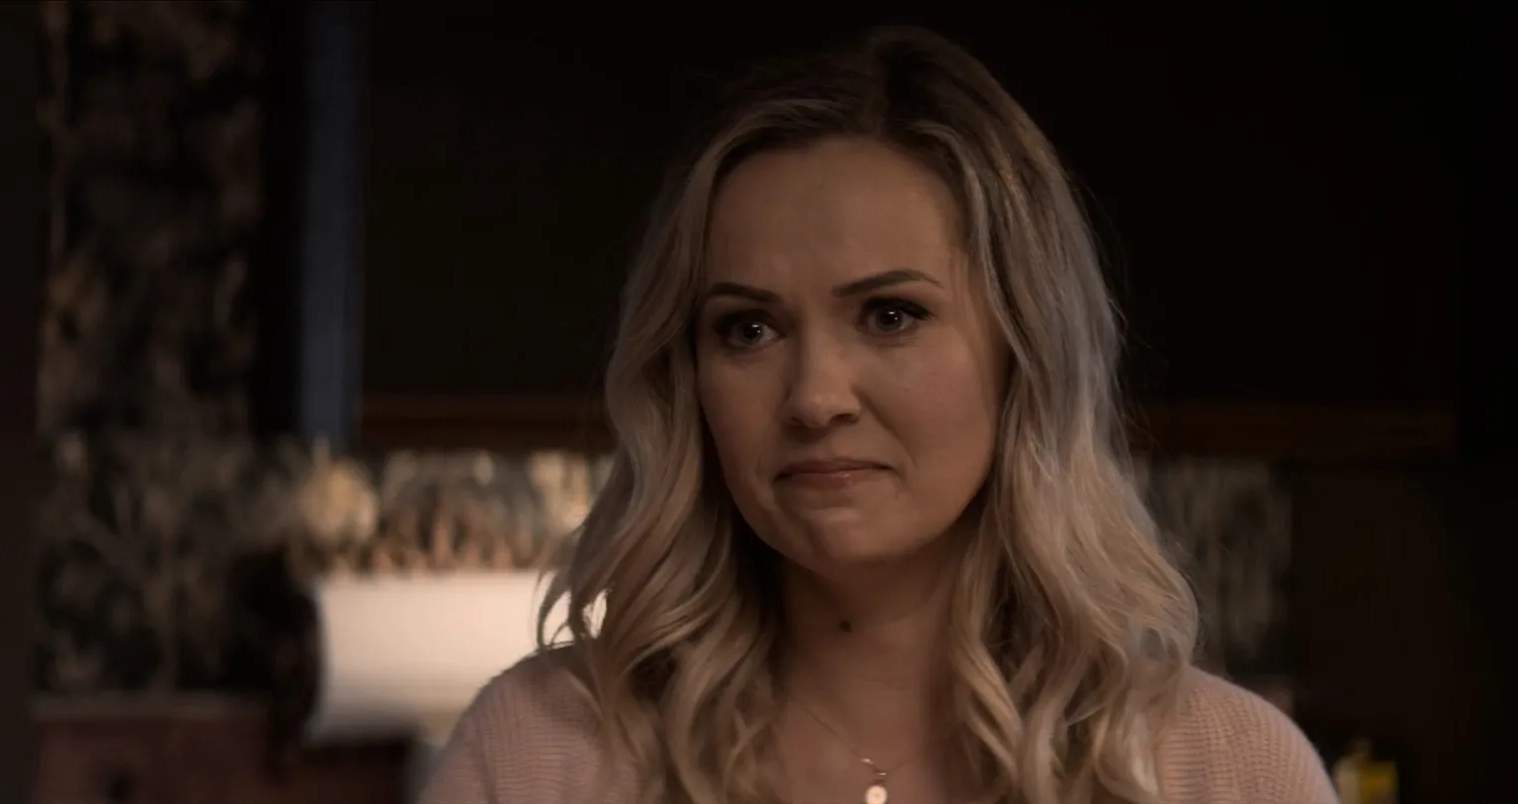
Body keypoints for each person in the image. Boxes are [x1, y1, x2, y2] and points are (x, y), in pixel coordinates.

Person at [416, 26, 1336, 804]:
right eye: (748, 329)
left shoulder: (1226, 771)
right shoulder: (541, 753)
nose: (815, 398)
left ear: (1024, 350)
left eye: (891, 315)